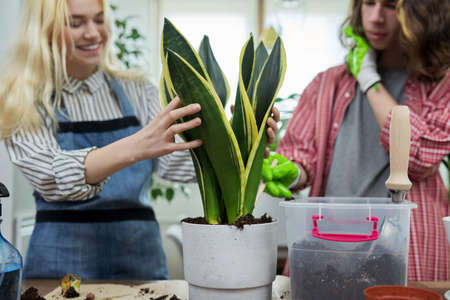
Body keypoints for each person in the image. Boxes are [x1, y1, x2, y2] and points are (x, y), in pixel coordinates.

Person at [0, 0, 279, 280]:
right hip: (58, 268)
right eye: (76, 23)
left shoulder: (137, 91)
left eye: (99, 19)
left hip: (140, 262)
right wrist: (135, 147)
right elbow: (50, 176)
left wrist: (240, 142)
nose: (94, 33)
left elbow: (181, 162)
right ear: (44, 31)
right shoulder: (21, 98)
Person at [265, 0, 449, 281]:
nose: (376, 18)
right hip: (330, 246)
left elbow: (418, 156)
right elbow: (300, 155)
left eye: (389, 6)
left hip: (409, 250)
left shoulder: (439, 85)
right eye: (368, 3)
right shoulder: (326, 84)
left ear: (418, 13)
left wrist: (370, 81)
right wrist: (292, 171)